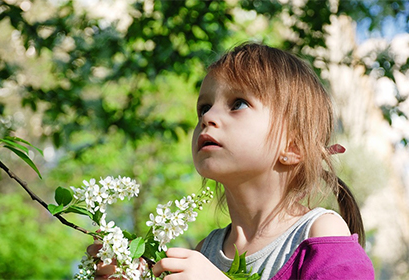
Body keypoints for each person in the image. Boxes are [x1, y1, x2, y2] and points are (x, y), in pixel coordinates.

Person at [89, 43, 375, 279]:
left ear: (293, 146)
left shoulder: (317, 234)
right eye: (204, 107)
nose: (207, 118)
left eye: (237, 103)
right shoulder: (206, 252)